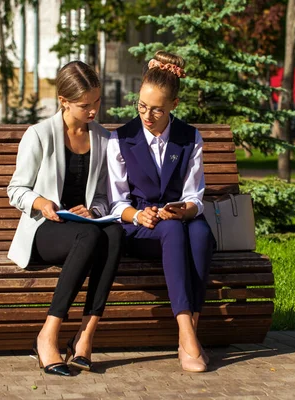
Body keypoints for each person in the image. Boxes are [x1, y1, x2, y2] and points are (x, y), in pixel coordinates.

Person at [7, 61, 123, 376]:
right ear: (63, 101)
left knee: (113, 234)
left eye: (97, 102)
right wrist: (41, 201)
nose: (93, 110)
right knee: (92, 236)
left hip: (84, 227)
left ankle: (85, 336)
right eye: (85, 105)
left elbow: (101, 196)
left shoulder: (102, 138)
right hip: (45, 230)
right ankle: (48, 334)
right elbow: (16, 190)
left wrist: (94, 211)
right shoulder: (39, 135)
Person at [107, 51, 215, 373]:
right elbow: (116, 202)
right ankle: (188, 335)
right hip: (138, 228)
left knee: (200, 233)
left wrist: (184, 210)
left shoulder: (189, 138)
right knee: (170, 230)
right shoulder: (121, 139)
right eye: (142, 106)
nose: (147, 115)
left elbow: (195, 194)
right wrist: (138, 216)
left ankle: (188, 337)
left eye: (156, 109)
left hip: (179, 220)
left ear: (174, 105)